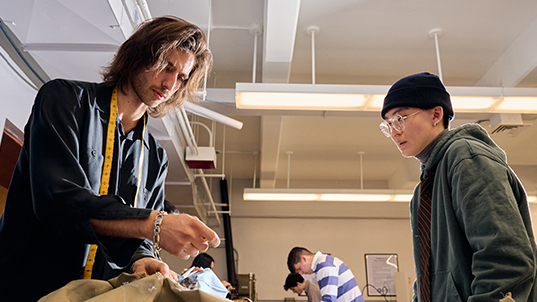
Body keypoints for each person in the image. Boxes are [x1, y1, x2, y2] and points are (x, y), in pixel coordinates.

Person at [0, 16, 220, 302]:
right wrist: (155, 224)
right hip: (24, 288)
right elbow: (58, 201)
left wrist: (143, 258)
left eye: (181, 77)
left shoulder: (154, 157)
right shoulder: (64, 100)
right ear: (139, 56)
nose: (169, 84)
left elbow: (139, 239)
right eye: (166, 66)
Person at [380, 72, 537, 301]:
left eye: (400, 118)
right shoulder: (424, 189)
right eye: (388, 124)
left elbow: (506, 260)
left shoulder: (466, 158)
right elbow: (430, 277)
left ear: (436, 114)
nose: (394, 131)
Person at [287, 247, 365, 302]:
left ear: (304, 259)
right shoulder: (326, 261)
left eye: (299, 269)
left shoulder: (324, 266)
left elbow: (329, 300)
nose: (301, 273)